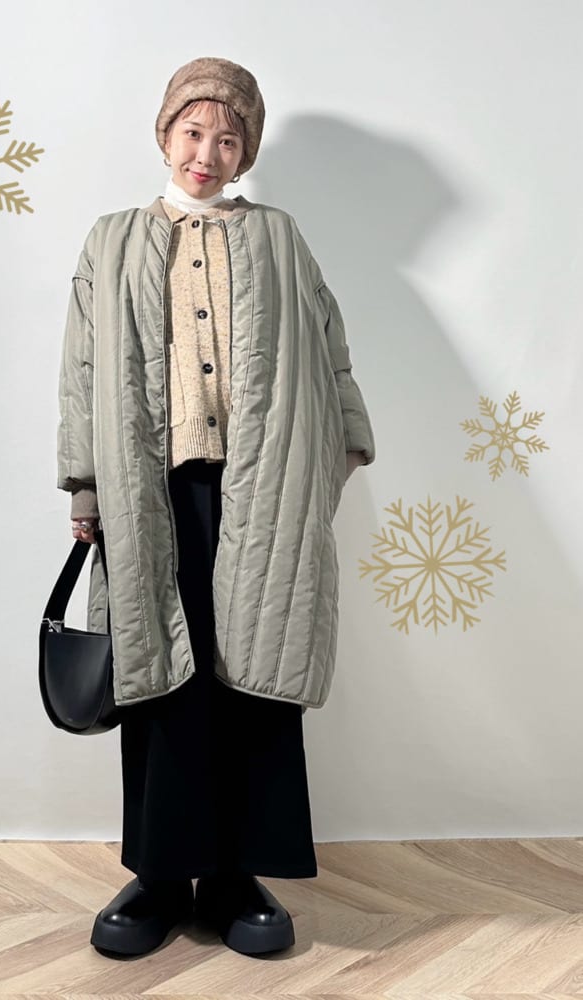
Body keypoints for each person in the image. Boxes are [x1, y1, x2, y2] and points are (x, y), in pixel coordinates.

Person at [57, 56, 376, 959]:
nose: (208, 151)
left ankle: (238, 876)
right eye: (194, 131)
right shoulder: (111, 239)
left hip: (263, 485)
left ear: (246, 154)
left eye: (229, 139)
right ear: (166, 135)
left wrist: (345, 445)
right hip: (149, 487)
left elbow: (327, 339)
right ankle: (161, 877)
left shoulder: (279, 236)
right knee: (163, 678)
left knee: (253, 673)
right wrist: (85, 484)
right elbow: (82, 367)